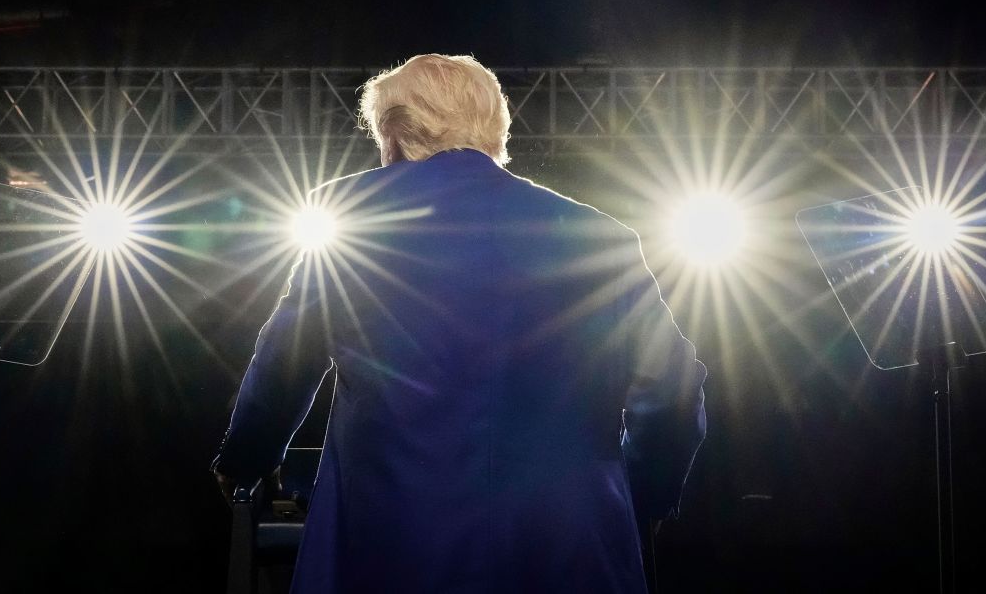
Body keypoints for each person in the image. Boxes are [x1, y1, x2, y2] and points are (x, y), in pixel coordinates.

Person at [212, 54, 706, 593]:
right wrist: (646, 492)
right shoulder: (599, 236)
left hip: (394, 547)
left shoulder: (352, 225)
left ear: (395, 135)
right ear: (494, 132)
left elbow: (285, 363)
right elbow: (674, 385)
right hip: (566, 550)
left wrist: (244, 459)